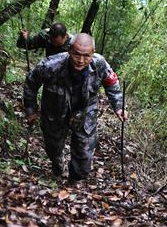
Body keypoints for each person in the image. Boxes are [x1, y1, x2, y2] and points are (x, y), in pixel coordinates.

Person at [23, 33, 127, 181]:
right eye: (77, 54)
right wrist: (31, 110)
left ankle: (74, 182)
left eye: (86, 56)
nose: (81, 60)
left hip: (85, 112)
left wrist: (119, 106)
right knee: (53, 149)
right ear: (69, 49)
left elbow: (111, 84)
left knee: (84, 158)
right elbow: (31, 83)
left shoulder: (100, 64)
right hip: (55, 111)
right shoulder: (50, 65)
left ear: (93, 52)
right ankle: (57, 163)